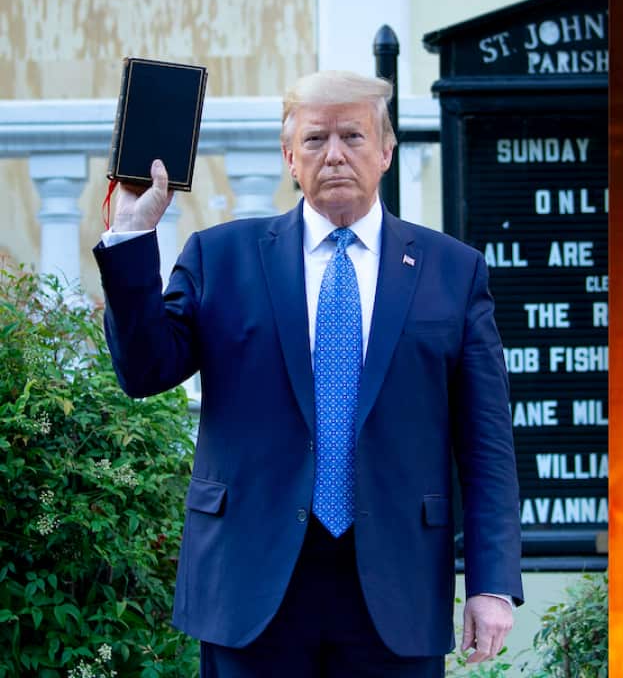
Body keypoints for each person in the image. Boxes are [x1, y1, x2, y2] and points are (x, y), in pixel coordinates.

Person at [93, 70, 522, 678]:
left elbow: (487, 445)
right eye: (316, 139)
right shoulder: (221, 258)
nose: (335, 154)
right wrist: (133, 235)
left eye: (353, 136)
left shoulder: (452, 271)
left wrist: (492, 583)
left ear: (386, 151)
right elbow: (143, 371)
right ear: (290, 157)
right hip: (250, 582)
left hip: (396, 585)